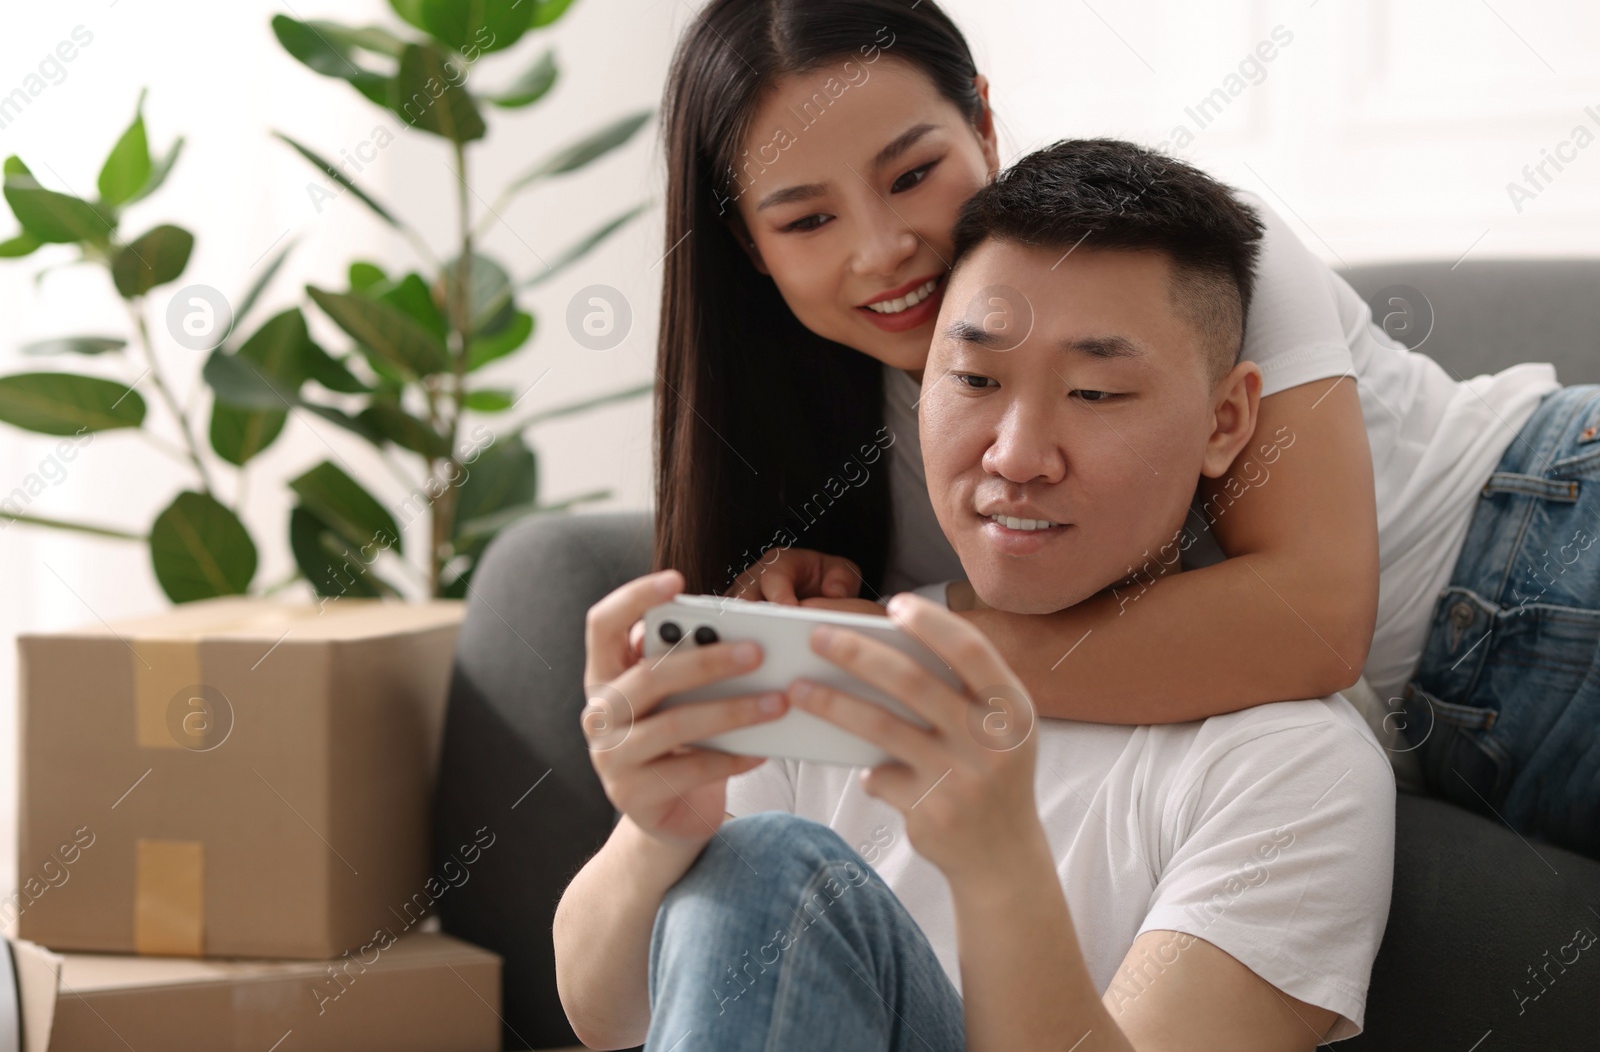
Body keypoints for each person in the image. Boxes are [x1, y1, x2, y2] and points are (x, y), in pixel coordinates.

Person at [652, 0, 1595, 858]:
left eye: (911, 175)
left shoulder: (1179, 262)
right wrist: (793, 613)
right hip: (1455, 729)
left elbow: (1310, 620)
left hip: (1546, 531)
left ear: (981, 119)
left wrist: (898, 641)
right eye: (807, 222)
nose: (882, 248)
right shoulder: (812, 442)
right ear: (749, 244)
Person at [554, 139, 1395, 1050]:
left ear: (1225, 421)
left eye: (1096, 392)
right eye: (975, 380)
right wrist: (658, 834)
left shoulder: (1292, 767)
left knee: (770, 865)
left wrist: (1001, 870)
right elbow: (605, 1016)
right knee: (755, 861)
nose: (1016, 455)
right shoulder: (827, 671)